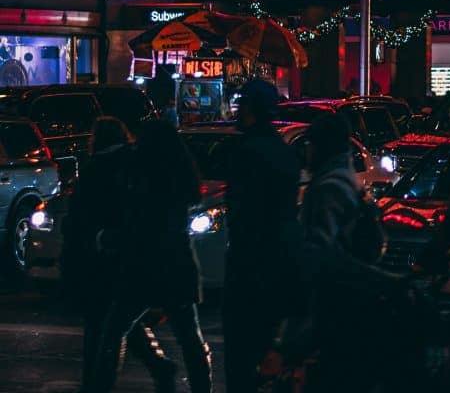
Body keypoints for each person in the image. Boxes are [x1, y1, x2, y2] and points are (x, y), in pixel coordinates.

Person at [89, 120, 211, 393]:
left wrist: (110, 239)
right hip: (176, 267)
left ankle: (101, 387)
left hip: (141, 268)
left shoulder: (141, 176)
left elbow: (137, 225)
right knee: (190, 340)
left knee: (113, 333)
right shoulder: (180, 176)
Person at [61, 117, 175, 393]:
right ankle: (157, 366)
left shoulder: (97, 169)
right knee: (117, 321)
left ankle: (97, 384)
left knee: (101, 326)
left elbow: (82, 217)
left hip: (102, 256)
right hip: (122, 256)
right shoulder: (131, 166)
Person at [300, 112, 406, 392]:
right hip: (352, 306)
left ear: (319, 146)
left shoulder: (327, 189)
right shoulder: (350, 182)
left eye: (310, 145)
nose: (307, 152)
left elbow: (318, 257)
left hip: (335, 308)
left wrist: (292, 340)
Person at [223, 78, 303, 393]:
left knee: (241, 362)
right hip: (278, 265)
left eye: (242, 104)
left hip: (249, 269)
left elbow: (243, 217)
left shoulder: (247, 153)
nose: (238, 110)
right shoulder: (285, 154)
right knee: (267, 356)